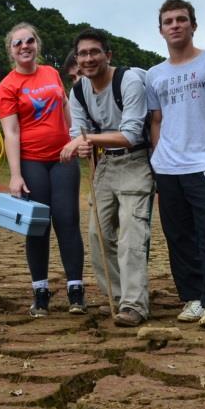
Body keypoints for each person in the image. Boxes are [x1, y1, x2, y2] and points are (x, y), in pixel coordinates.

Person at [145, 0, 205, 329]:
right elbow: (155, 120)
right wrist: (158, 158)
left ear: (193, 25)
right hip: (169, 168)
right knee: (179, 236)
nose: (175, 25)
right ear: (160, 30)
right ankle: (194, 298)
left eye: (181, 19)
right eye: (168, 21)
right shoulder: (154, 75)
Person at [60, 28, 154, 327]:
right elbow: (78, 133)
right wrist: (83, 143)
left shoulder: (129, 81)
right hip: (104, 167)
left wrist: (87, 140)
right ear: (77, 59)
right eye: (83, 54)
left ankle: (134, 305)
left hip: (135, 162)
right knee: (98, 235)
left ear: (107, 55)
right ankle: (118, 295)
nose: (88, 59)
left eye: (94, 52)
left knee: (131, 236)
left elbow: (130, 134)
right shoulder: (77, 90)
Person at [0, 22, 85, 317]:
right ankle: (41, 292)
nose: (25, 46)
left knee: (68, 220)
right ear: (11, 50)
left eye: (29, 41)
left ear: (37, 45)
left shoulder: (51, 73)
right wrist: (15, 174)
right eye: (18, 43)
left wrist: (76, 138)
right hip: (32, 161)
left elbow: (66, 110)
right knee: (38, 226)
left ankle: (75, 290)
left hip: (63, 158)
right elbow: (11, 132)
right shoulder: (7, 86)